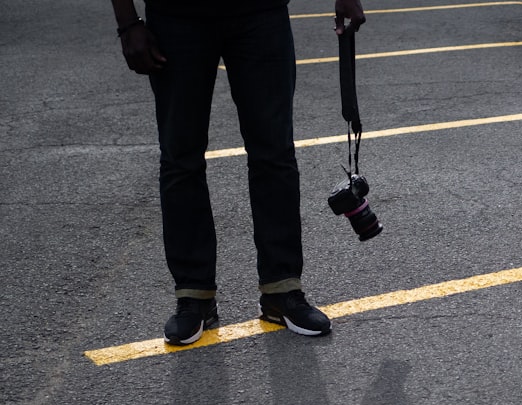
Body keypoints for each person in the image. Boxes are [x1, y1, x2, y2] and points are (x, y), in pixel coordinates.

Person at [110, 0, 367, 344]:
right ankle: (194, 297)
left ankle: (282, 290)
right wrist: (127, 22)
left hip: (261, 12)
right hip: (176, 18)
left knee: (274, 153)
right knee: (180, 158)